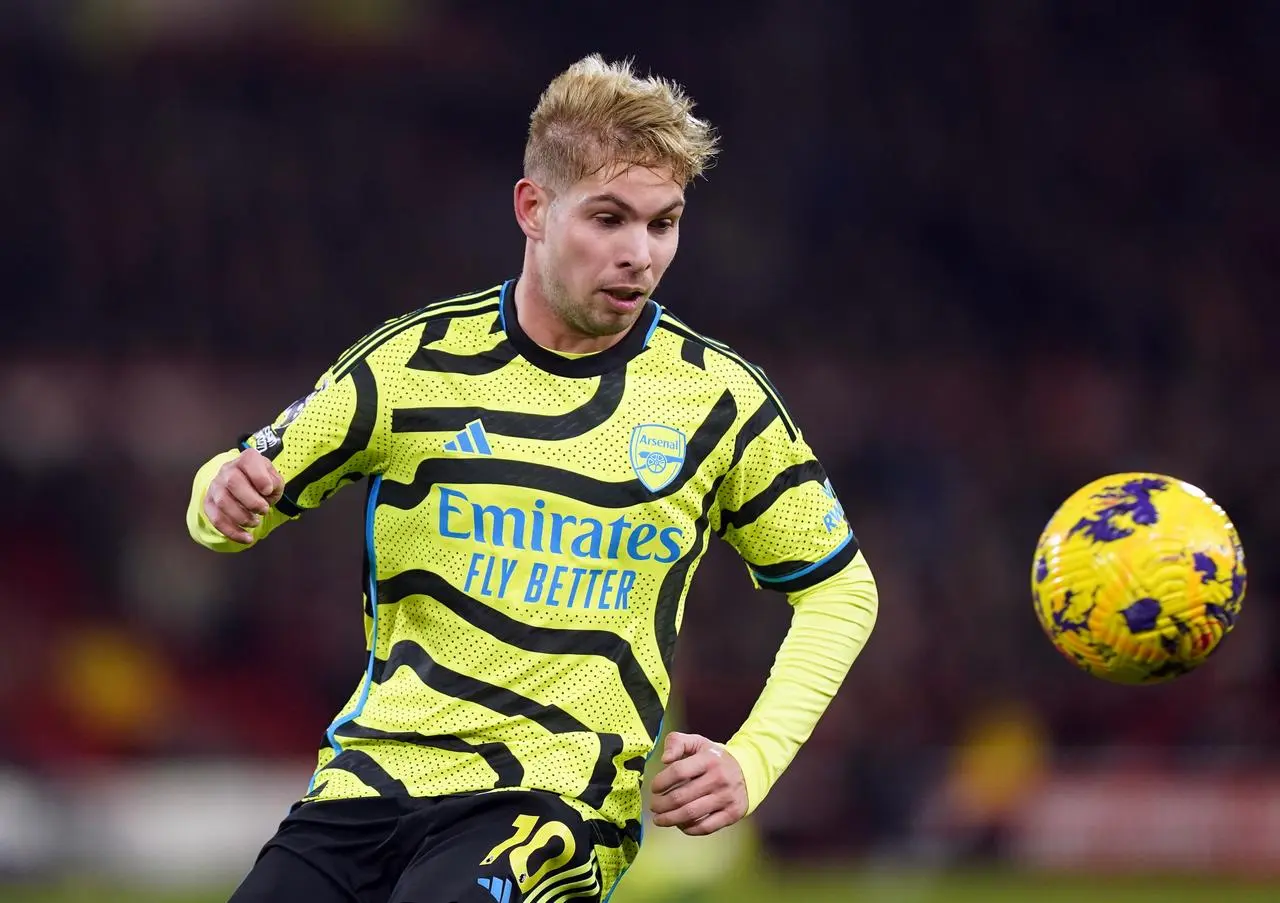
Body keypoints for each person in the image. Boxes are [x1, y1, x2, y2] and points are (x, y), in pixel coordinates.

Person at [187, 54, 879, 903]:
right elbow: (238, 488)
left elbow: (841, 591)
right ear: (533, 207)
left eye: (663, 224)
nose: (640, 255)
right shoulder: (413, 365)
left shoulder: (717, 400)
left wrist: (754, 756)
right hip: (368, 786)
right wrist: (223, 493)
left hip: (553, 805)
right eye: (610, 218)